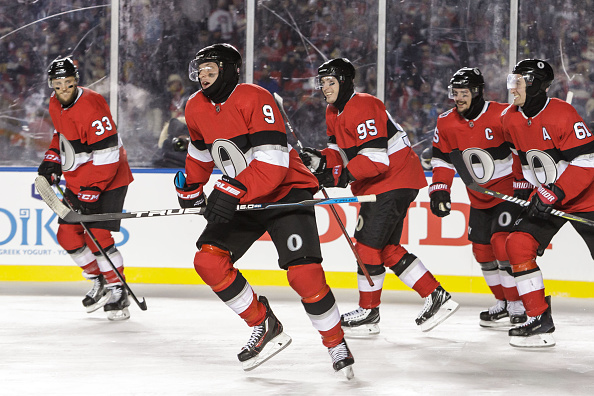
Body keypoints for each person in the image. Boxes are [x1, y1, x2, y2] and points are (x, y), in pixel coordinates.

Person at [177, 43, 354, 378]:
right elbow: (201, 154)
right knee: (208, 260)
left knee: (304, 275)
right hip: (244, 192)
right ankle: (265, 324)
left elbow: (272, 164)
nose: (202, 76)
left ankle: (335, 342)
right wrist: (190, 187)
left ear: (229, 69)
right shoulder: (195, 106)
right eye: (198, 70)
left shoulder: (254, 97)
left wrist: (228, 191)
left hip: (286, 190)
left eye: (209, 68)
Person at [300, 58, 459, 337]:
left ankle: (370, 311)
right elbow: (339, 153)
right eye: (322, 82)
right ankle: (435, 296)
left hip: (391, 181)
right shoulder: (332, 112)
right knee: (383, 249)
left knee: (365, 247)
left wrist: (338, 177)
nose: (325, 88)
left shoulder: (363, 104)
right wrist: (319, 162)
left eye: (331, 82)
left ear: (346, 82)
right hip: (386, 183)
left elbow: (376, 160)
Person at [502, 59, 594, 347]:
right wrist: (527, 192)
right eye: (512, 80)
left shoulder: (562, 113)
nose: (512, 87)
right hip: (549, 197)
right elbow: (522, 161)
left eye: (518, 81)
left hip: (585, 197)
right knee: (517, 244)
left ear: (535, 85)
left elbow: (587, 162)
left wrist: (553, 192)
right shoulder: (509, 118)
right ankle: (539, 319)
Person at [429, 67, 527, 328]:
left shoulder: (502, 114)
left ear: (476, 92)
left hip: (507, 193)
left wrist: (523, 185)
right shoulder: (446, 122)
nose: (458, 98)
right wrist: (439, 189)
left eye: (463, 93)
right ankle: (503, 303)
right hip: (479, 197)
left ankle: (518, 304)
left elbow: (521, 150)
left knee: (502, 244)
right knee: (482, 251)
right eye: (455, 93)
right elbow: (441, 159)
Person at [37, 56, 134, 321]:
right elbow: (61, 136)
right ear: (52, 85)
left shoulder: (92, 104)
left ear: (76, 81)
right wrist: (52, 159)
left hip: (110, 178)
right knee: (67, 236)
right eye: (58, 85)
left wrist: (93, 189)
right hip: (79, 179)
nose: (64, 89)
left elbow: (109, 153)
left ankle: (118, 289)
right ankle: (100, 280)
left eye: (68, 83)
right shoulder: (54, 103)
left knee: (97, 237)